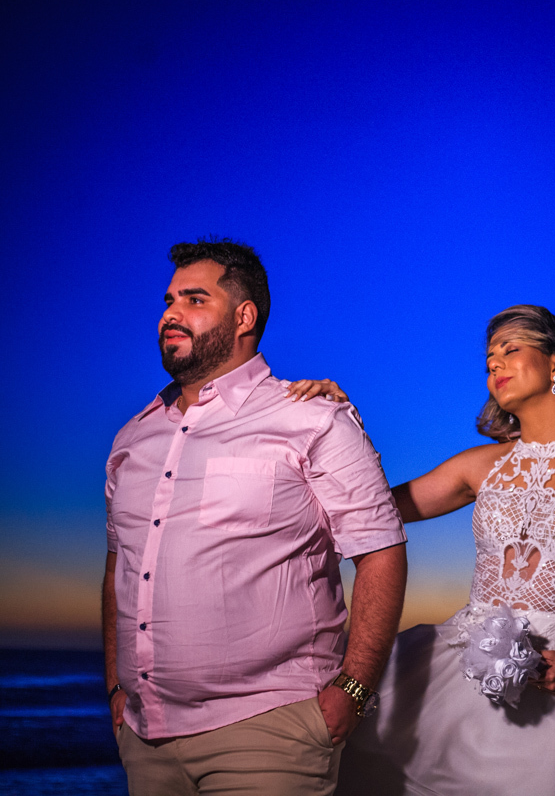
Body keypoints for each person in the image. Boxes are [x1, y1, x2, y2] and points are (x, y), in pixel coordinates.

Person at [287, 304, 555, 795]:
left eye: (511, 350)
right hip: (459, 668)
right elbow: (375, 506)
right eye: (489, 357)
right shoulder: (480, 466)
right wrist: (340, 420)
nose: (494, 363)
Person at [102, 238, 408, 796]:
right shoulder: (132, 439)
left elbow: (381, 549)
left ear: (245, 317)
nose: (171, 312)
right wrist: (115, 687)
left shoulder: (313, 420)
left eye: (195, 299)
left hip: (270, 732)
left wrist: (353, 690)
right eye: (169, 299)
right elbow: (120, 564)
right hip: (144, 739)